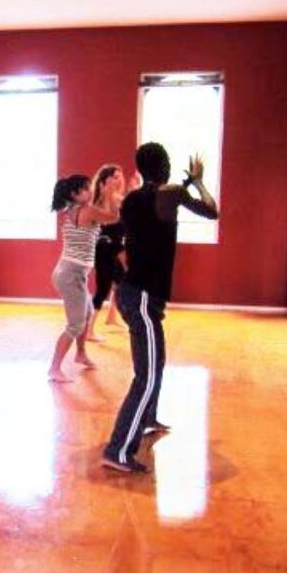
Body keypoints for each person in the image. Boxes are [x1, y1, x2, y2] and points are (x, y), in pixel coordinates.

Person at [102, 144, 218, 473]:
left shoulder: (133, 200)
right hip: (140, 296)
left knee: (157, 360)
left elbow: (121, 240)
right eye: (166, 161)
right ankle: (118, 450)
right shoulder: (170, 193)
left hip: (136, 294)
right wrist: (196, 182)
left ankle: (147, 417)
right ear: (164, 167)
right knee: (148, 373)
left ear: (139, 169)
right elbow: (212, 210)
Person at [48, 173, 121, 382]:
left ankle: (80, 354)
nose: (90, 191)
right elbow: (113, 218)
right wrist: (111, 194)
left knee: (87, 313)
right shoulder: (86, 210)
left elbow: (93, 226)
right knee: (75, 324)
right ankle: (54, 369)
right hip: (70, 274)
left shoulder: (71, 210)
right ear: (74, 194)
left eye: (90, 187)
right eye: (86, 188)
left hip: (71, 273)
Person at [87, 164, 128, 343]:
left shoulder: (118, 198)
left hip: (117, 247)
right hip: (104, 249)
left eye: (120, 176)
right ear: (105, 180)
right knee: (103, 289)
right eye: (115, 177)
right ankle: (88, 331)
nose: (119, 180)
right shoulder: (98, 201)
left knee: (120, 282)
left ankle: (111, 317)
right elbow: (111, 219)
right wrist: (111, 195)